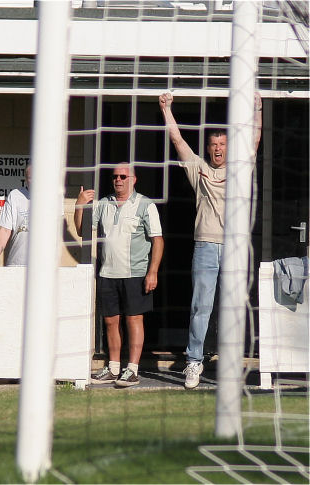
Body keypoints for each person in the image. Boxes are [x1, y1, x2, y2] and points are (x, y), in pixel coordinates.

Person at [159, 92, 262, 389]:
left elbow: (254, 141)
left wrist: (257, 108)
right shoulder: (199, 168)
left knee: (231, 308)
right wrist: (166, 109)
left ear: (229, 147)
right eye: (213, 144)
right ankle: (193, 362)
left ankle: (230, 364)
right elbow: (178, 142)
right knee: (200, 306)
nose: (217, 149)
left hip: (233, 248)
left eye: (222, 144)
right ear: (207, 148)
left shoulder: (239, 169)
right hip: (205, 245)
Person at [74, 163, 164, 388]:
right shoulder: (103, 204)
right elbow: (80, 230)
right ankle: (114, 367)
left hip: (135, 273)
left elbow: (158, 240)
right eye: (115, 176)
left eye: (123, 176)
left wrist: (152, 272)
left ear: (133, 179)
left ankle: (132, 369)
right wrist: (79, 205)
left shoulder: (145, 205)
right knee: (111, 321)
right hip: (107, 273)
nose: (118, 180)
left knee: (134, 319)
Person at [0, 165, 31, 272]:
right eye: (30, 178)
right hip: (17, 265)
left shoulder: (54, 197)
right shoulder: (15, 196)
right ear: (26, 179)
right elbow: (5, 230)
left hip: (45, 268)